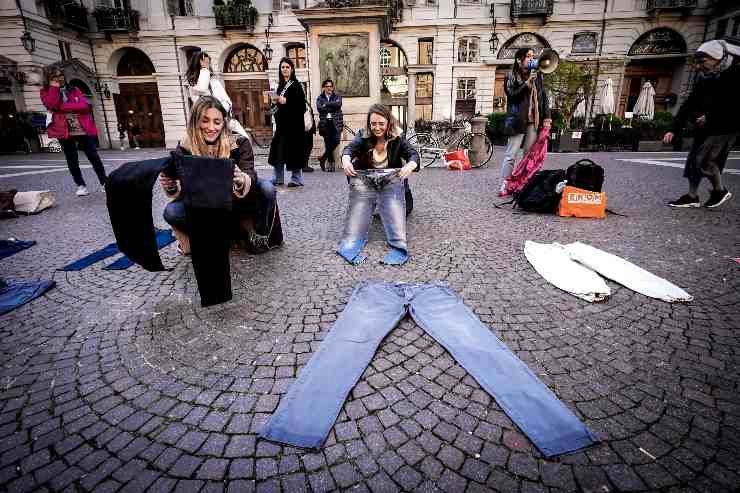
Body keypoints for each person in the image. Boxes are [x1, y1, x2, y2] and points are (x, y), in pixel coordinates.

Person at [158, 96, 281, 255]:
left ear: (224, 123)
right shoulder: (185, 147)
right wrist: (170, 185)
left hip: (236, 201)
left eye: (217, 122)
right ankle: (209, 239)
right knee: (172, 212)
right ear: (196, 121)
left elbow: (250, 173)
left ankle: (258, 237)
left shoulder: (239, 143)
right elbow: (179, 183)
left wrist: (241, 179)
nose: (211, 127)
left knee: (267, 188)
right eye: (205, 121)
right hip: (205, 204)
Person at [338, 104, 419, 266]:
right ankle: (372, 206)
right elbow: (349, 149)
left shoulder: (397, 137)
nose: (377, 127)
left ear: (388, 123)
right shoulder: (363, 136)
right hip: (366, 182)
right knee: (363, 215)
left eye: (381, 124)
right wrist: (346, 159)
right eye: (373, 124)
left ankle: (396, 242)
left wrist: (410, 165)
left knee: (404, 211)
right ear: (369, 123)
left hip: (391, 182)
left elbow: (413, 154)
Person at [664, 39, 740, 209]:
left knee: (705, 159)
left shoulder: (736, 73)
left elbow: (734, 103)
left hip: (725, 126)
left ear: (717, 57)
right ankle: (692, 196)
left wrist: (711, 116)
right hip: (704, 127)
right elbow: (689, 103)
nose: (698, 66)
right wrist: (673, 128)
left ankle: (719, 190)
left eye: (702, 61)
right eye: (697, 62)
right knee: (694, 160)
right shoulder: (707, 77)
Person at [40, 64, 107, 196]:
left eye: (60, 75)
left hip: (81, 128)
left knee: (93, 156)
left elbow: (84, 107)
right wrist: (54, 88)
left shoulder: (74, 89)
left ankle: (104, 182)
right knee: (72, 159)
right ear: (48, 79)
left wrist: (62, 107)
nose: (59, 78)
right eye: (55, 77)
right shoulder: (45, 92)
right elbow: (52, 104)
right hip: (63, 130)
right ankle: (81, 185)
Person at [499, 47, 551, 196]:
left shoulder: (538, 76)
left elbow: (543, 98)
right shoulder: (511, 75)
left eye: (532, 56)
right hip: (517, 120)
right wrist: (526, 84)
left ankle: (523, 184)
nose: (531, 59)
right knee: (511, 155)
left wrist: (547, 117)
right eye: (528, 56)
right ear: (518, 59)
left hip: (533, 121)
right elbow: (512, 96)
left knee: (528, 156)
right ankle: (505, 183)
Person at [185, 50, 248, 139]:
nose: (208, 64)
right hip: (209, 121)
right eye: (205, 62)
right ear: (199, 63)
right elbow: (202, 88)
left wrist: (226, 108)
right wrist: (204, 69)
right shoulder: (194, 83)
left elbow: (224, 98)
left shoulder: (212, 80)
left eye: (208, 62)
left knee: (244, 138)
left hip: (224, 118)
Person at [268, 57, 307, 187]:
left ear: (291, 69)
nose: (285, 69)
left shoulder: (296, 85)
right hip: (281, 126)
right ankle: (278, 178)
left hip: (294, 127)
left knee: (294, 152)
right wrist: (274, 102)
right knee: (277, 152)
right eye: (283, 67)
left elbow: (302, 106)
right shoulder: (278, 85)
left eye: (287, 67)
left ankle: (297, 179)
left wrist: (286, 101)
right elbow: (275, 108)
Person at [316, 78, 343, 172]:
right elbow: (320, 108)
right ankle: (331, 165)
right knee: (328, 143)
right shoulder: (320, 98)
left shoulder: (337, 96)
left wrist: (326, 104)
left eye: (331, 86)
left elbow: (338, 105)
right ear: (324, 87)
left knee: (336, 141)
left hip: (336, 122)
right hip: (325, 123)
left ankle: (323, 158)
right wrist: (332, 106)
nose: (329, 88)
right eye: (327, 86)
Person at [303, 102, 317, 173]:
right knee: (304, 147)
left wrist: (313, 128)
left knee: (309, 146)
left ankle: (305, 164)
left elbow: (311, 115)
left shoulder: (306, 102)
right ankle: (303, 165)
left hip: (309, 129)